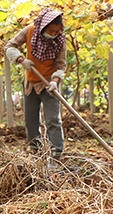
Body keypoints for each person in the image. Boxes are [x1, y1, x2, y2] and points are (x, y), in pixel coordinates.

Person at [5, 8, 67, 162]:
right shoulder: (30, 31)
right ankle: (36, 151)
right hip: (30, 82)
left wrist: (55, 81)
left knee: (53, 119)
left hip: (49, 84)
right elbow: (10, 46)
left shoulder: (60, 40)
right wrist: (20, 59)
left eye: (56, 32)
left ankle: (56, 154)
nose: (53, 34)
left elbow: (61, 64)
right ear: (44, 26)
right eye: (51, 31)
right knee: (31, 120)